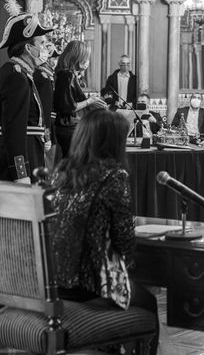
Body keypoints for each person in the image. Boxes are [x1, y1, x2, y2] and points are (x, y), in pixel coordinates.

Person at [49, 109, 159, 354]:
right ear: (112, 142)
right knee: (148, 302)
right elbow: (125, 245)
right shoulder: (113, 175)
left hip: (54, 282)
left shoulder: (61, 172)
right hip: (88, 287)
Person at [0, 0, 53, 182]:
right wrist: (20, 173)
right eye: (40, 43)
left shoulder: (24, 74)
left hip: (32, 153)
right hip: (23, 160)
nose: (44, 49)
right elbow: (14, 128)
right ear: (28, 48)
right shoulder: (16, 76)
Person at [54, 40, 106, 157]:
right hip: (68, 128)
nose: (87, 61)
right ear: (78, 57)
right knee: (75, 163)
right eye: (86, 58)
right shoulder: (66, 75)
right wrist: (90, 101)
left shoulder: (69, 74)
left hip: (70, 127)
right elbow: (68, 107)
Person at [34, 43, 60, 171]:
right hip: (46, 126)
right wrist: (47, 134)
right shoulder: (43, 76)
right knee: (48, 165)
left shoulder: (47, 74)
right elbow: (45, 108)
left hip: (51, 124)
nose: (55, 61)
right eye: (53, 58)